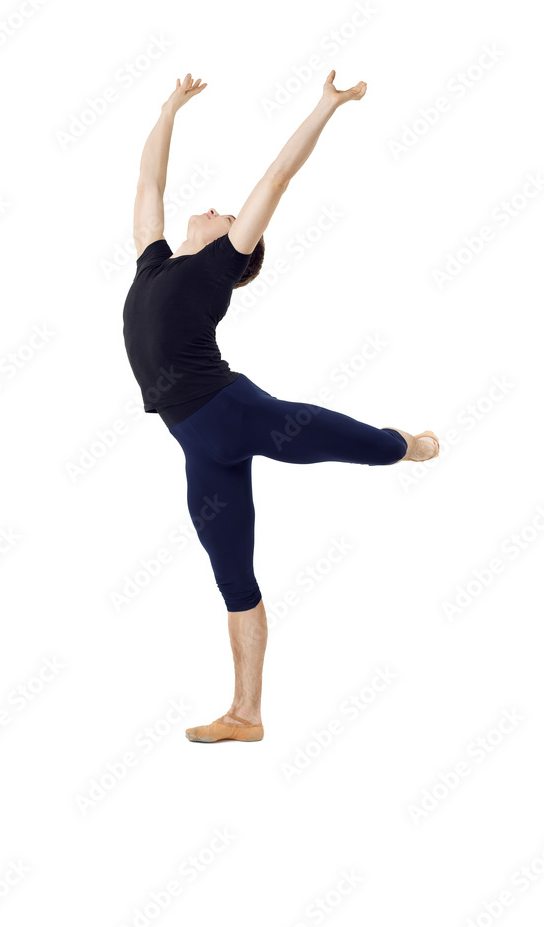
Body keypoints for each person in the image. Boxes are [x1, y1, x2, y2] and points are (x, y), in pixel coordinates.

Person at [122, 71, 439, 744]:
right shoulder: (152, 263)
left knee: (351, 442)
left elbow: (275, 179)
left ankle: (406, 444)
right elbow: (148, 185)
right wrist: (168, 108)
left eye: (231, 219)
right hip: (196, 445)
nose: (219, 208)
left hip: (233, 412)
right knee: (233, 577)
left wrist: (326, 106)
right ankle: (246, 714)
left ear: (234, 250)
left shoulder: (216, 269)